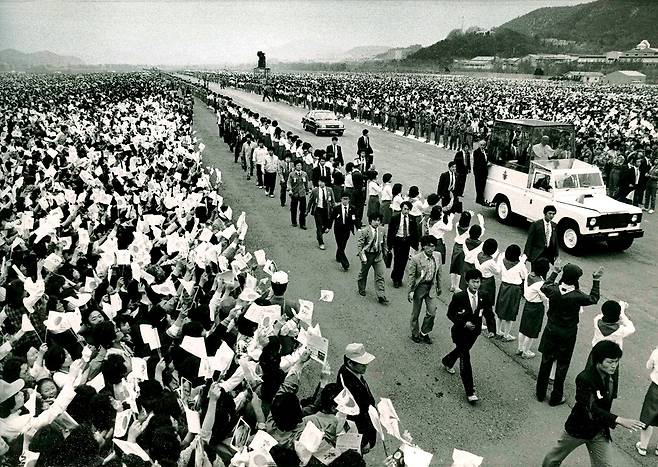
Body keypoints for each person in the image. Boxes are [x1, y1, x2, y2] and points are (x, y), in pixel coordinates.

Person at [542, 341, 645, 467]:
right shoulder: (584, 378)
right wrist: (618, 419)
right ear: (598, 360)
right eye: (610, 362)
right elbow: (591, 407)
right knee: (553, 459)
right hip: (578, 429)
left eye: (616, 361)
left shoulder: (611, 375)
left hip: (599, 431)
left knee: (605, 465)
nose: (614, 366)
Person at [536, 263, 603, 407]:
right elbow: (594, 298)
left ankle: (540, 393)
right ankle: (556, 397)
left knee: (546, 360)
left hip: (551, 329)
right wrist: (596, 280)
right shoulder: (578, 296)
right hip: (568, 332)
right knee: (562, 364)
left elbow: (544, 285)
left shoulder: (553, 290)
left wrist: (554, 272)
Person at [441, 269, 495, 404]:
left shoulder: (484, 295)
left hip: (474, 333)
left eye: (478, 282)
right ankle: (470, 391)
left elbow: (489, 313)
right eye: (473, 282)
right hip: (460, 332)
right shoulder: (459, 297)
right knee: (465, 357)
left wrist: (492, 329)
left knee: (461, 351)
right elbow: (450, 314)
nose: (476, 285)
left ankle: (448, 360)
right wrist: (464, 323)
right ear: (467, 282)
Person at [337, 343, 376, 452]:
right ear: (350, 362)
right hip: (360, 435)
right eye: (361, 364)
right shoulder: (348, 384)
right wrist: (363, 441)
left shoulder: (351, 371)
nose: (366, 366)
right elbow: (354, 417)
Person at [407, 236, 442, 344]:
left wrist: (439, 286)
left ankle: (424, 332)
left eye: (432, 246)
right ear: (423, 246)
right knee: (416, 313)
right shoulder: (416, 259)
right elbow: (411, 276)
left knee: (432, 312)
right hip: (419, 288)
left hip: (431, 287)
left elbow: (439, 272)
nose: (430, 248)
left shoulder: (437, 256)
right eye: (427, 246)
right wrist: (411, 291)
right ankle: (415, 333)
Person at [517, 258, 550, 358]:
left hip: (527, 305)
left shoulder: (529, 276)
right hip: (536, 307)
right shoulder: (540, 283)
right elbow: (545, 297)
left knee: (523, 328)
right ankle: (526, 351)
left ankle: (520, 348)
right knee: (531, 331)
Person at [495, 244, 528, 342]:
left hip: (504, 286)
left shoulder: (502, 260)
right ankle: (506, 335)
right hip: (514, 289)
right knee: (510, 313)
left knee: (500, 310)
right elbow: (524, 276)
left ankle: (498, 331)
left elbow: (498, 270)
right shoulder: (520, 264)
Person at [357, 214, 389, 304]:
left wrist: (385, 253)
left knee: (380, 275)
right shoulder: (365, 231)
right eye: (375, 220)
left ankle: (381, 295)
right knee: (364, 273)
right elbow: (360, 245)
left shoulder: (382, 230)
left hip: (378, 255)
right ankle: (361, 288)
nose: (377, 222)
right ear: (370, 221)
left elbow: (384, 243)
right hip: (367, 254)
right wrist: (362, 256)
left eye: (379, 220)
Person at [387, 202, 419, 288]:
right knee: (397, 260)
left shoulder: (412, 219)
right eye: (405, 209)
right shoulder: (395, 218)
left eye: (408, 209)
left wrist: (415, 245)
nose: (406, 211)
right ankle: (395, 278)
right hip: (398, 240)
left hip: (407, 241)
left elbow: (415, 232)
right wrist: (389, 245)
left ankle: (400, 278)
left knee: (404, 260)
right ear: (401, 208)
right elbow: (390, 232)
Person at [636, 346, 658, 457]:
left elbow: (648, 366)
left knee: (648, 417)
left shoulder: (657, 352)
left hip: (656, 389)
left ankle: (643, 446)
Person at [307, 176, 335, 250]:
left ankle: (319, 234)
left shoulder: (329, 190)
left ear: (325, 183)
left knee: (326, 226)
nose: (320, 183)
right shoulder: (315, 191)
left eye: (322, 182)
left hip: (326, 210)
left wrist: (335, 210)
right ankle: (321, 242)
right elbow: (310, 201)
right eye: (319, 181)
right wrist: (307, 211)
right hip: (318, 210)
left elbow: (332, 201)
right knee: (319, 226)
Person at [332, 194, 356, 271]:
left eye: (347, 199)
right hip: (338, 229)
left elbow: (355, 219)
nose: (345, 200)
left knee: (343, 244)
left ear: (349, 200)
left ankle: (338, 255)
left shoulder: (352, 208)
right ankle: (345, 263)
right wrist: (328, 228)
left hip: (347, 229)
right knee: (340, 244)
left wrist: (358, 228)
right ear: (341, 199)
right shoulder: (336, 208)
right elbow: (331, 218)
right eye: (343, 199)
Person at [287, 160, 310, 229]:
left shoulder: (304, 174)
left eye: (300, 165)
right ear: (295, 166)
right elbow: (289, 183)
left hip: (302, 194)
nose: (299, 167)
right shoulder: (291, 174)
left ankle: (302, 223)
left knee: (303, 209)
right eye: (297, 165)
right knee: (293, 208)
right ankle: (294, 222)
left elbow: (306, 183)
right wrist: (290, 190)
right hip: (294, 194)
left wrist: (307, 190)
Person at [471, 140, 490, 206]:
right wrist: (486, 164)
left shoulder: (486, 151)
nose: (482, 146)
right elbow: (478, 162)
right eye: (481, 145)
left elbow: (487, 159)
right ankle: (479, 199)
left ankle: (479, 199)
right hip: (478, 171)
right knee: (478, 186)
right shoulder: (476, 152)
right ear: (479, 145)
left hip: (484, 171)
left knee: (483, 185)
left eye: (483, 145)